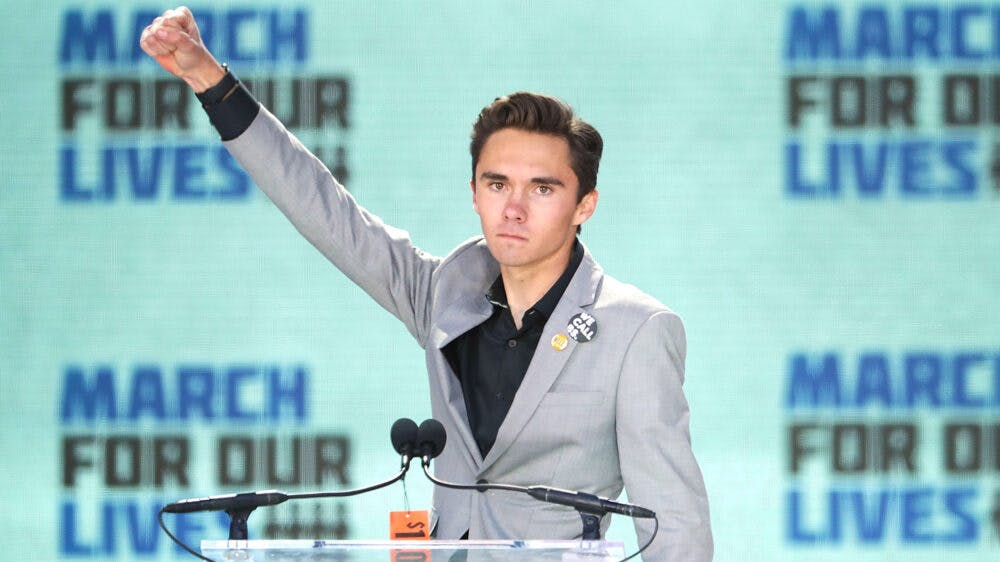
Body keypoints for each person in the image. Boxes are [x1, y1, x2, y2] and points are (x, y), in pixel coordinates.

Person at [140, 7, 713, 561]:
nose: (514, 208)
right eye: (497, 184)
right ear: (474, 193)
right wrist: (210, 81)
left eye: (542, 189)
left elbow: (674, 519)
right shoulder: (442, 295)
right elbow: (323, 209)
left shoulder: (636, 330)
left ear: (585, 204)